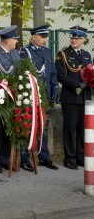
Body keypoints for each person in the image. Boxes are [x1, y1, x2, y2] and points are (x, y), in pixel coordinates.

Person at [0, 25, 31, 173]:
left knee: (10, 130)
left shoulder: (15, 53)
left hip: (15, 96)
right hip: (0, 96)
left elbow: (19, 72)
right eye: (15, 39)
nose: (16, 42)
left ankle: (5, 159)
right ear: (8, 40)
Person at [19, 24, 59, 170]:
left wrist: (55, 89)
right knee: (28, 127)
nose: (44, 40)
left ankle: (44, 157)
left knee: (44, 128)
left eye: (46, 37)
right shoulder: (25, 51)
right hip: (31, 96)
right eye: (42, 37)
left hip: (46, 96)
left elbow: (52, 73)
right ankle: (25, 158)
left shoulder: (47, 52)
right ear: (34, 36)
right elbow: (23, 74)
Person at [55, 26, 92, 170]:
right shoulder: (63, 54)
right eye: (72, 37)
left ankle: (80, 157)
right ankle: (69, 158)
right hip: (70, 97)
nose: (73, 40)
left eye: (77, 38)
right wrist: (78, 84)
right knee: (70, 128)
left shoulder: (87, 55)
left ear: (83, 40)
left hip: (85, 97)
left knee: (83, 129)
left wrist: (88, 84)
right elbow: (61, 76)